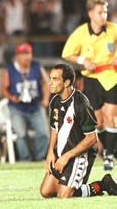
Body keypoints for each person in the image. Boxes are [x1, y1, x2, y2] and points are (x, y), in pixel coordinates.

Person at [40, 63, 117, 198]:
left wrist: (66, 156)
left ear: (66, 82)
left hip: (80, 155)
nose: (50, 83)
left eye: (55, 79)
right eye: (50, 78)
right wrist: (50, 152)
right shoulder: (55, 101)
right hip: (63, 153)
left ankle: (103, 185)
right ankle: (98, 184)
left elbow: (92, 138)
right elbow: (54, 128)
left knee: (63, 196)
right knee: (45, 192)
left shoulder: (81, 103)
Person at [62, 0, 117, 170]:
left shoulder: (113, 29)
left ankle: (110, 155)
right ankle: (106, 150)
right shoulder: (81, 33)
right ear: (91, 13)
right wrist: (83, 60)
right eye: (100, 12)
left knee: (110, 117)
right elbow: (67, 53)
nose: (104, 15)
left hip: (111, 77)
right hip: (91, 79)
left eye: (105, 12)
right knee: (99, 122)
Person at [0, 42, 49, 161]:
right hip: (17, 107)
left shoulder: (37, 66)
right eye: (22, 54)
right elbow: (3, 89)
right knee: (21, 134)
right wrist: (12, 97)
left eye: (28, 53)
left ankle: (40, 157)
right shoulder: (10, 69)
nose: (26, 57)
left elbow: (46, 83)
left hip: (35, 105)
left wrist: (45, 99)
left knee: (44, 133)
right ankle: (25, 158)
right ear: (17, 56)